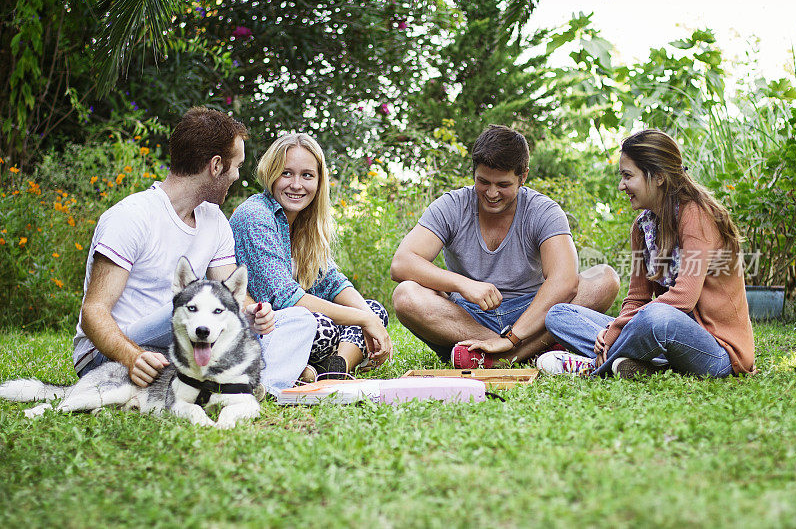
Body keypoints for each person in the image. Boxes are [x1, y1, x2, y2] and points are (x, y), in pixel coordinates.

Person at [74, 107, 316, 396]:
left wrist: (253, 313)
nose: (237, 175)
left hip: (187, 341)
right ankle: (243, 376)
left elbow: (231, 297)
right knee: (187, 307)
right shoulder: (131, 217)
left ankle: (260, 387)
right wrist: (131, 357)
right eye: (236, 165)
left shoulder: (214, 222)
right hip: (114, 353)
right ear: (216, 166)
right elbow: (93, 312)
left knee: (300, 319)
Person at [391, 124, 620, 368]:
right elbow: (402, 263)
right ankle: (530, 349)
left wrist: (514, 336)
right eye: (483, 182)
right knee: (405, 295)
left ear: (523, 177)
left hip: (530, 311)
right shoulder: (451, 205)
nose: (491, 193)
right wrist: (464, 285)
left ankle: (502, 356)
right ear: (474, 174)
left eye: (503, 185)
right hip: (467, 316)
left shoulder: (544, 211)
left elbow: (564, 282)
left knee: (604, 278)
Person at [538, 129, 755, 378]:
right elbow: (637, 297)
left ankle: (593, 367)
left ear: (658, 177)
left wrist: (616, 328)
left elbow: (684, 299)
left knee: (657, 316)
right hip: (664, 340)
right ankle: (641, 363)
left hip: (718, 354)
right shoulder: (643, 227)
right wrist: (616, 327)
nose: (622, 186)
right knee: (559, 314)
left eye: (628, 176)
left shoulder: (696, 215)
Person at [229, 133, 392, 379]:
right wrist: (363, 321)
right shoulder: (255, 215)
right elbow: (285, 299)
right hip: (262, 327)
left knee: (374, 310)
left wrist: (369, 318)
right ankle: (309, 366)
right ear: (271, 174)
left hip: (300, 322)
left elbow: (333, 282)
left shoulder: (307, 223)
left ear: (318, 181)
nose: (297, 184)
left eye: (307, 175)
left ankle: (334, 368)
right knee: (322, 327)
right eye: (286, 173)